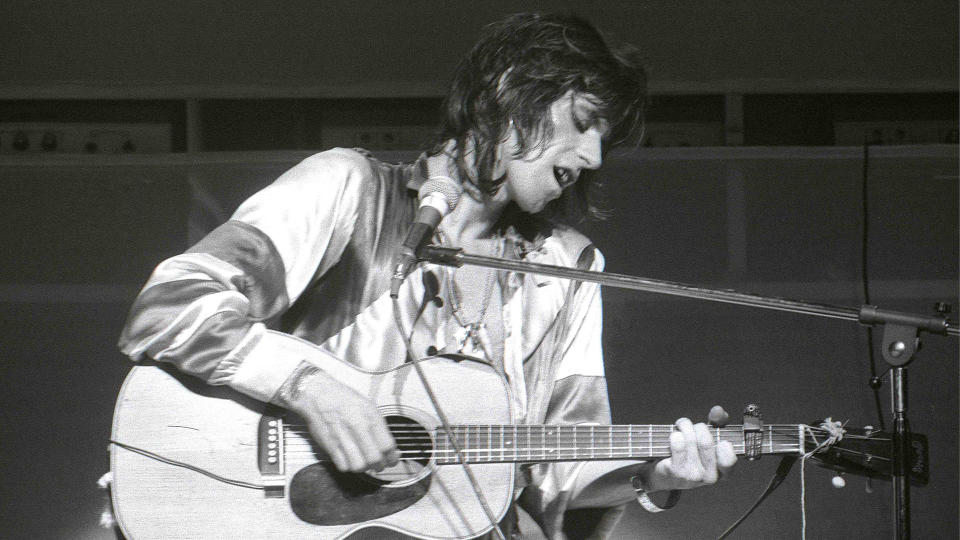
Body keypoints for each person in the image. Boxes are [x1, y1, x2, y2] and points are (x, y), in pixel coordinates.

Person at [117, 12, 736, 539]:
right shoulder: (350, 190)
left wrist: (655, 476)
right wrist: (313, 389)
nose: (594, 156)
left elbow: (556, 469)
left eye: (605, 141)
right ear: (512, 89)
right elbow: (172, 303)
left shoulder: (567, 270)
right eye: (581, 121)